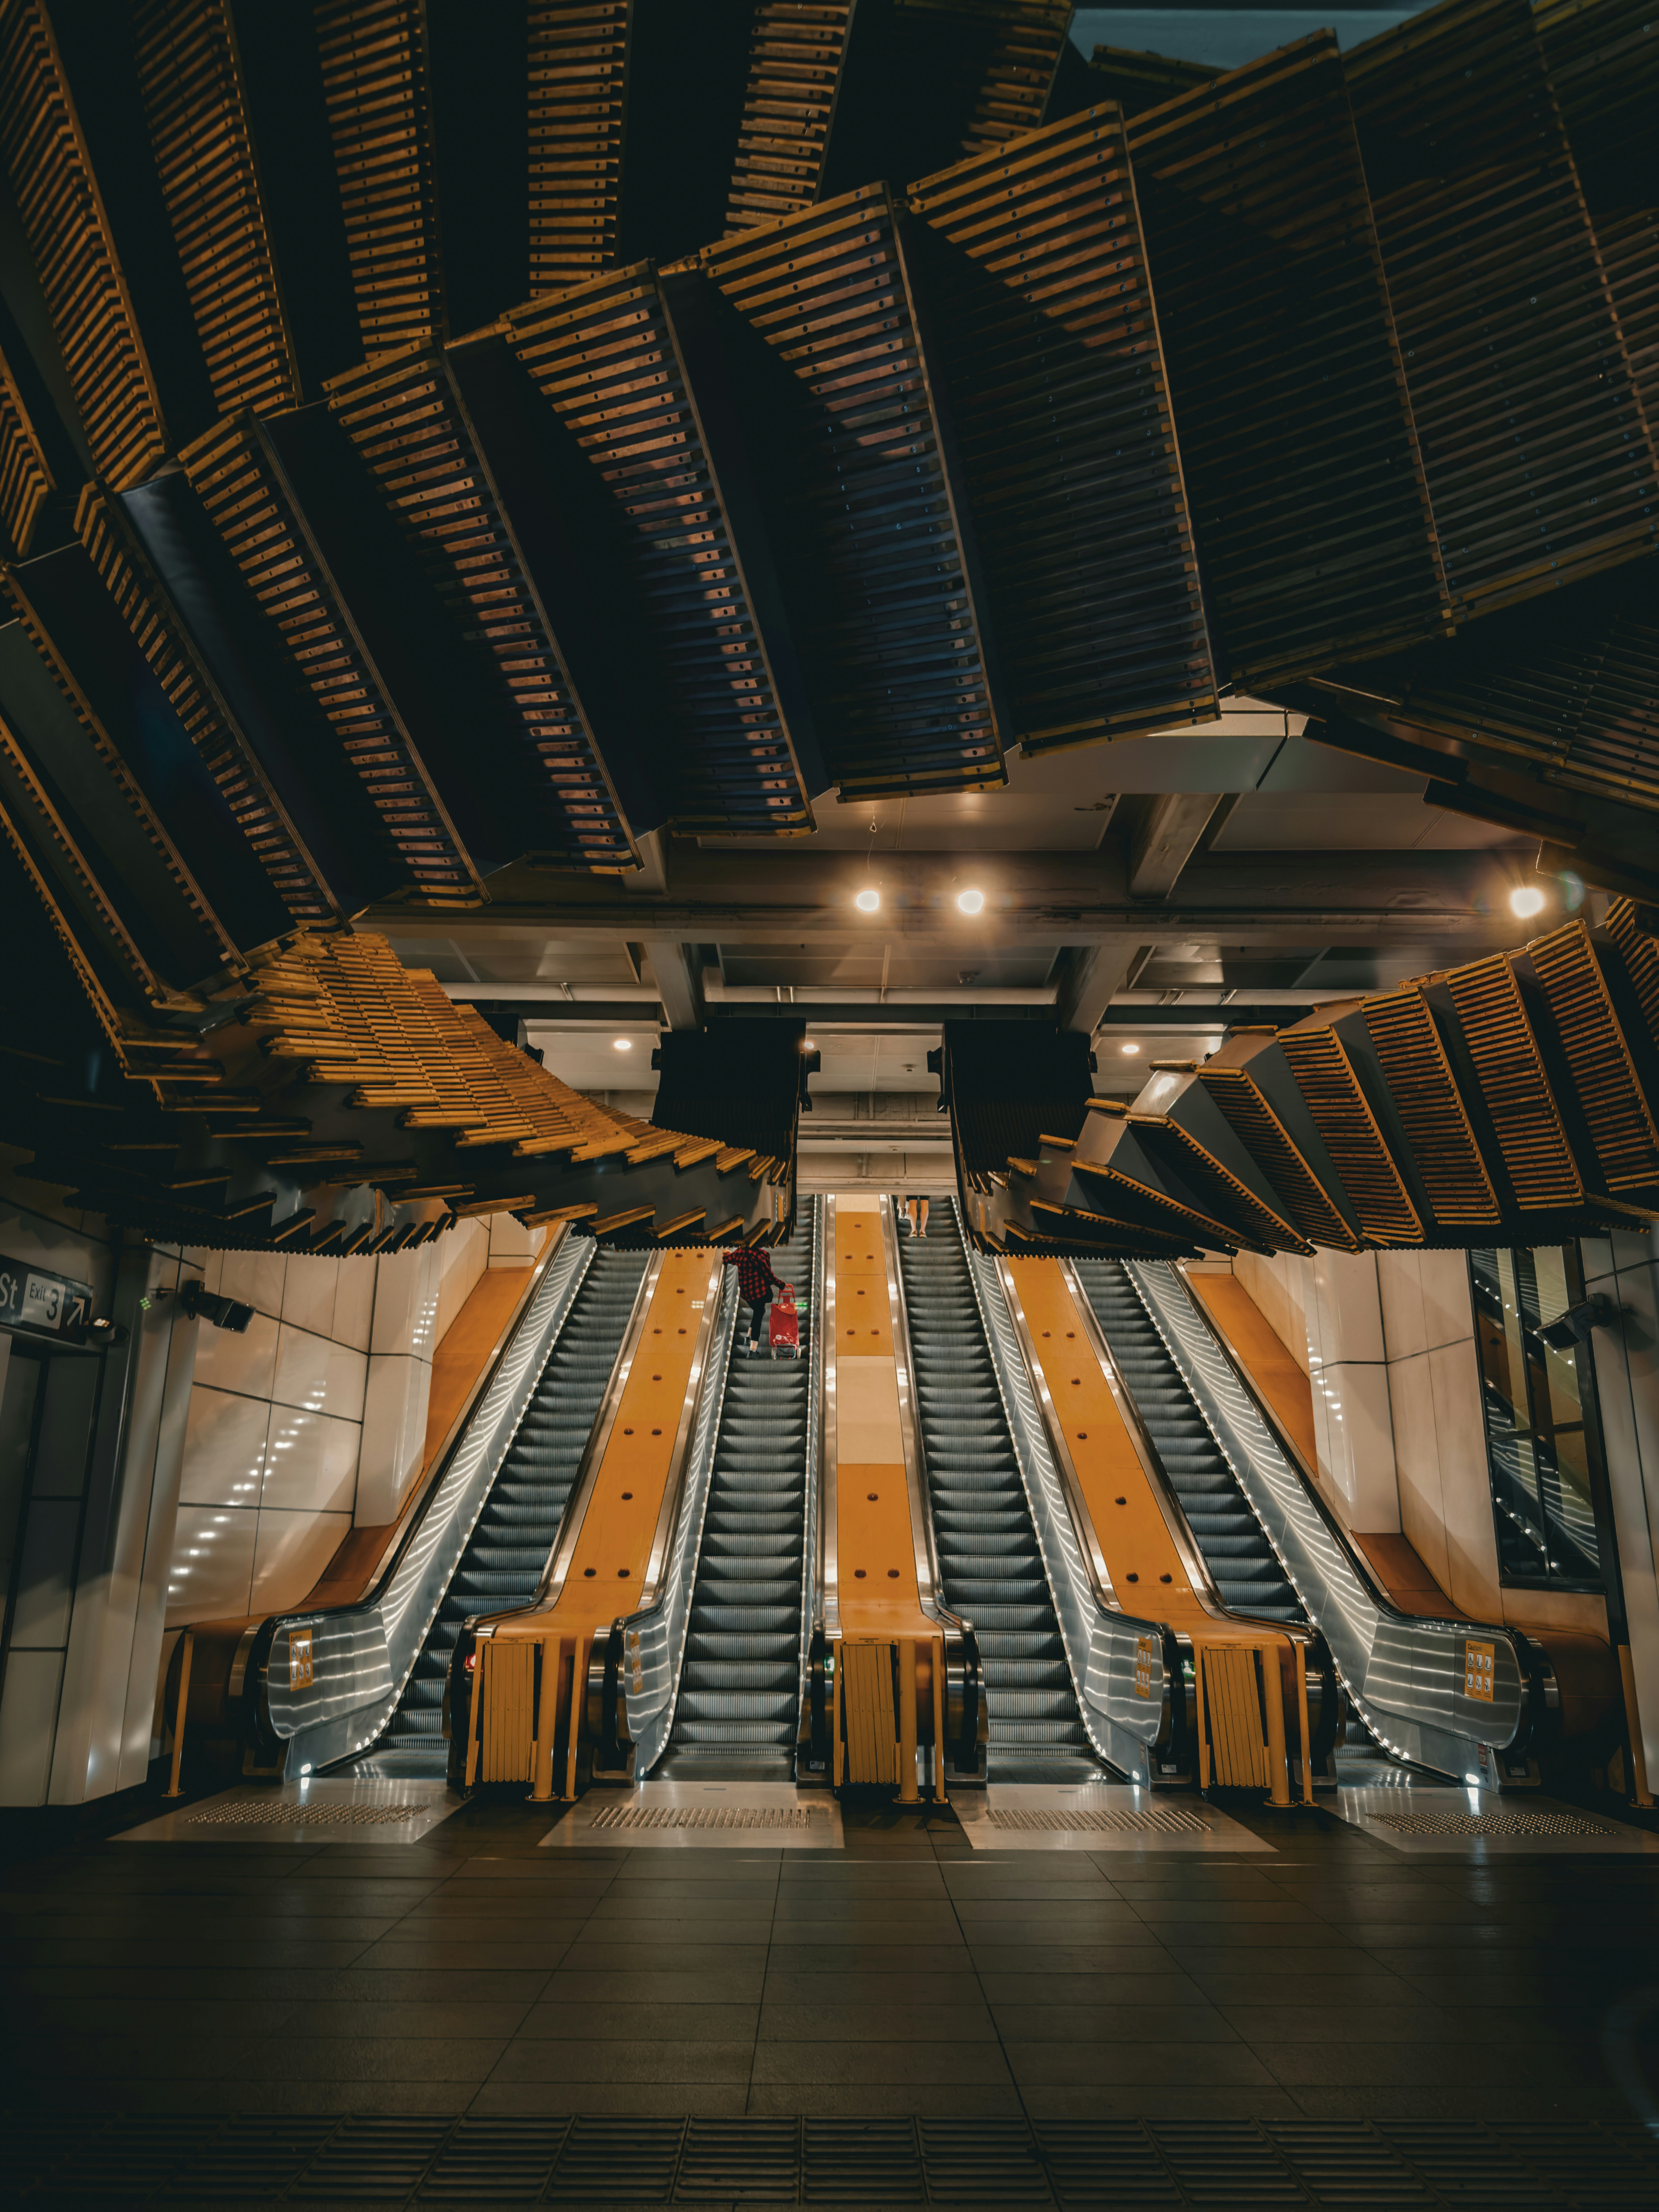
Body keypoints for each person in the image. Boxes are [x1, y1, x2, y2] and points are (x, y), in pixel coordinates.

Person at [723, 1240, 786, 1353]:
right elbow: (769, 1275)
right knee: (758, 1318)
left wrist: (727, 1253)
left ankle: (749, 1336)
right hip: (760, 1294)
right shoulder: (759, 1256)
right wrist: (781, 1285)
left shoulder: (739, 1253)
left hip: (747, 1295)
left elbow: (728, 1259)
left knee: (758, 1313)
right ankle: (753, 1350)